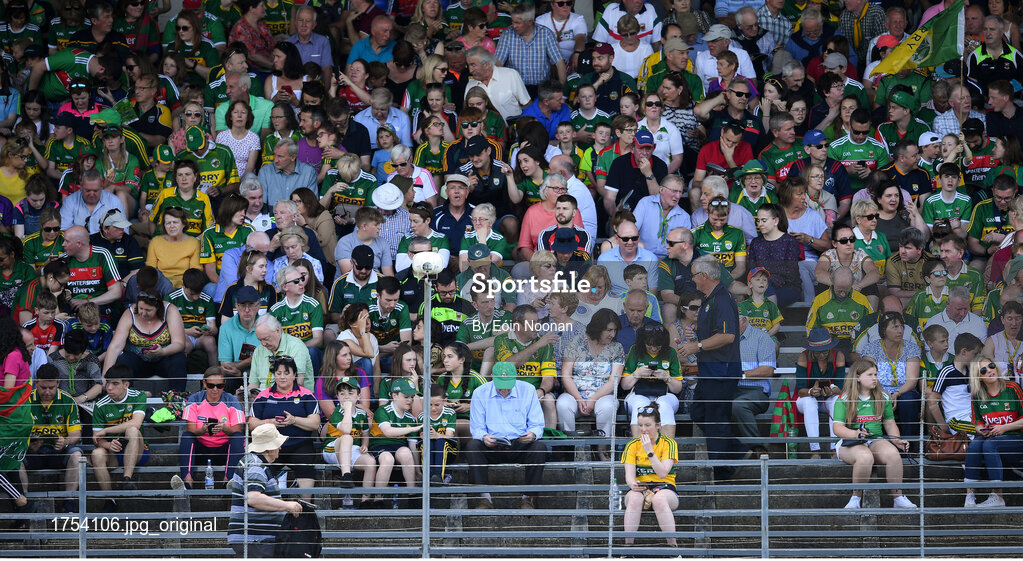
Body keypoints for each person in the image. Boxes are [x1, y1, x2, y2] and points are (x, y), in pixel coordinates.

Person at [680, 255, 741, 479]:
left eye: (694, 275)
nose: (692, 280)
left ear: (704, 276)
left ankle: (724, 468)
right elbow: (716, 330)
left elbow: (727, 336)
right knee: (699, 412)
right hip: (711, 370)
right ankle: (736, 449)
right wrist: (696, 330)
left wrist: (697, 345)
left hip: (722, 370)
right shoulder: (710, 299)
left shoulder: (722, 299)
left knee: (716, 419)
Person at [832, 357, 916, 509]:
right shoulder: (844, 398)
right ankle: (855, 499)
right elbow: (837, 428)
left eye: (876, 374)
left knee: (893, 454)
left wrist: (897, 441)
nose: (875, 378)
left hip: (875, 440)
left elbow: (889, 423)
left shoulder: (883, 396)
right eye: (870, 375)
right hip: (850, 442)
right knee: (864, 456)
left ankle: (898, 498)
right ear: (857, 377)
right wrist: (855, 434)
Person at [466, 361, 546, 510]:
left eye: (508, 384)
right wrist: (484, 436)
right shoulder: (480, 392)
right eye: (500, 384)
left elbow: (537, 423)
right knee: (473, 446)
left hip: (519, 443)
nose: (504, 389)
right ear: (492, 378)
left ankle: (528, 498)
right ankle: (485, 499)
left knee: (539, 447)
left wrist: (532, 434)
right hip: (493, 444)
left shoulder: (528, 390)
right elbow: (477, 427)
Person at [227, 423, 303, 557]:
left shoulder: (254, 463)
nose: (280, 448)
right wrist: (286, 505)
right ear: (269, 448)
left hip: (255, 540)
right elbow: (253, 498)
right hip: (256, 540)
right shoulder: (256, 465)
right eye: (277, 444)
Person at [248, 354, 320, 497]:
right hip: (270, 445)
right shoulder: (263, 395)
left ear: (294, 375)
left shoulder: (306, 395)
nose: (282, 377)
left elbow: (315, 423)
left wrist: (294, 420)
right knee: (259, 466)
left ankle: (306, 506)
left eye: (287, 373)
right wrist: (269, 422)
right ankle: (262, 504)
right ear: (274, 375)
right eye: (278, 373)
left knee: (306, 462)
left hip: (299, 444)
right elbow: (251, 423)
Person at [962, 357, 1023, 508]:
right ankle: (969, 495)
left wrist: (1004, 427)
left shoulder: (1012, 388)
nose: (989, 371)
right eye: (984, 370)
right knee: (976, 443)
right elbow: (977, 423)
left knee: (990, 444)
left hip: (1017, 439)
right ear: (979, 377)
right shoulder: (977, 395)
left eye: (991, 366)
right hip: (995, 438)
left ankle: (998, 496)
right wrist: (983, 430)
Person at [172, 368, 245, 490]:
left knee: (238, 437)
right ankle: (187, 482)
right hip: (201, 449)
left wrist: (225, 428)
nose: (215, 389)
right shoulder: (195, 399)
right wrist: (203, 430)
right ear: (204, 383)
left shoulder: (232, 400)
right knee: (187, 436)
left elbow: (238, 430)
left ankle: (228, 481)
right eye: (211, 385)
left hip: (223, 450)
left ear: (224, 384)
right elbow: (190, 429)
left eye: (219, 386)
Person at [25, 364, 83, 514]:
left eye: (51, 387)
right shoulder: (25, 400)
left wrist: (66, 442)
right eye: (43, 387)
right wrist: (27, 443)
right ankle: (24, 502)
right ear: (36, 382)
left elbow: (76, 434)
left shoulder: (68, 401)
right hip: (33, 452)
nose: (47, 392)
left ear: (58, 383)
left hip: (58, 451)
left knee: (77, 455)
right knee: (15, 455)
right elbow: (17, 431)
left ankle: (69, 501)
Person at [90, 364, 149, 512]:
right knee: (96, 454)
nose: (109, 388)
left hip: (138, 450)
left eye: (115, 383)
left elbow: (136, 423)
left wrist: (107, 430)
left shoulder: (138, 396)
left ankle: (126, 478)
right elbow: (97, 438)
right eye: (108, 383)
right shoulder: (100, 404)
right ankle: (109, 500)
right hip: (114, 452)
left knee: (132, 430)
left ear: (126, 384)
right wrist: (109, 445)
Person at [103, 291, 188, 393]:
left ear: (158, 308)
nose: (143, 313)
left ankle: (175, 398)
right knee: (123, 360)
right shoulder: (130, 313)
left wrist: (163, 352)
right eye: (141, 308)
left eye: (148, 310)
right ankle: (131, 397)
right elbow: (115, 347)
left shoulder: (170, 310)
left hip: (164, 359)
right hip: (138, 360)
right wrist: (105, 377)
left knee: (179, 358)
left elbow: (179, 343)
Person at [622, 405, 680, 546]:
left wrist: (649, 450)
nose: (643, 429)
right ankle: (627, 548)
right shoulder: (632, 445)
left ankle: (673, 547)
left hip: (665, 487)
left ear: (658, 425)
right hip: (641, 487)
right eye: (640, 425)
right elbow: (629, 476)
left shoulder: (669, 443)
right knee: (634, 499)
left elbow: (662, 473)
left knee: (659, 500)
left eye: (648, 425)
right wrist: (633, 485)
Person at [733, 313, 777, 459]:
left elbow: (768, 370)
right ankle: (731, 450)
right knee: (711, 403)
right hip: (730, 387)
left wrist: (742, 374)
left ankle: (758, 448)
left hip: (756, 390)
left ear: (744, 320)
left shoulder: (762, 338)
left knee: (738, 405)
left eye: (732, 319)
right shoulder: (726, 338)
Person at [748, 204, 803, 307]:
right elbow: (752, 270)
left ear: (776, 221)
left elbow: (790, 272)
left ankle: (770, 319)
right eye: (758, 221)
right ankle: (773, 321)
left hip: (787, 288)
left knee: (764, 289)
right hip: (761, 287)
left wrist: (765, 278)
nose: (760, 224)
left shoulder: (789, 241)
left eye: (764, 220)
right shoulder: (756, 242)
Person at [248, 314, 314, 391]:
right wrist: (246, 393)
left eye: (266, 339)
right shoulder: (258, 350)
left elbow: (298, 383)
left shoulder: (296, 346)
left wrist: (267, 394)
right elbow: (253, 385)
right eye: (260, 340)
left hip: (292, 399)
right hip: (263, 399)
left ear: (278, 330)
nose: (263, 344)